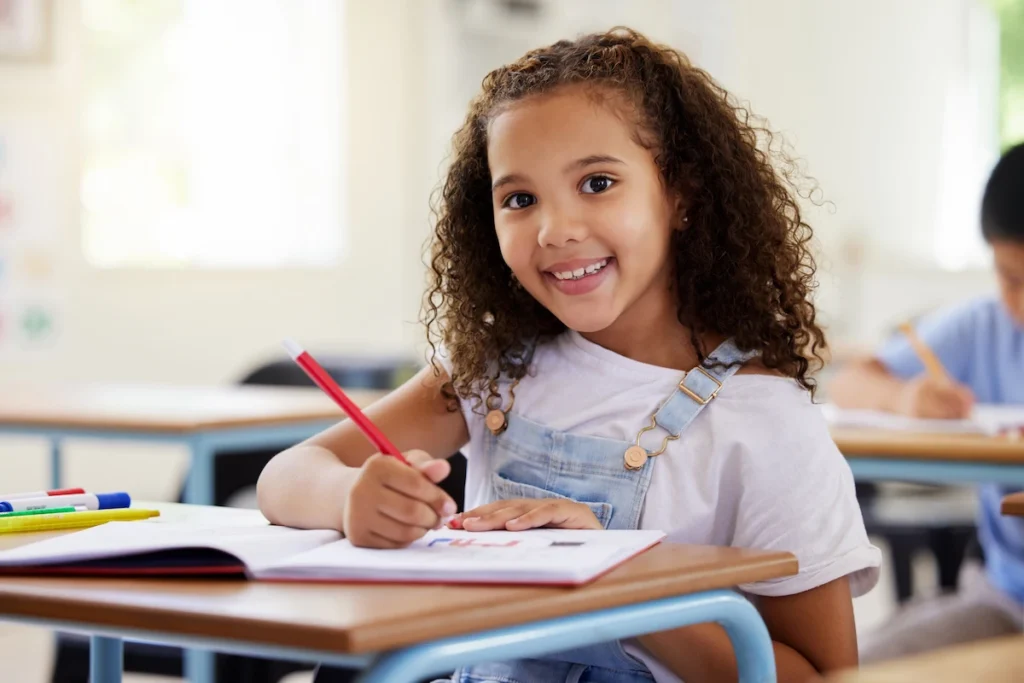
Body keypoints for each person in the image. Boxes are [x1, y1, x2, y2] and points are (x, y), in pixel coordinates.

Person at [258, 27, 880, 683]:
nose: (555, 230)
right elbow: (288, 474)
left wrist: (616, 571)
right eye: (519, 199)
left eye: (598, 182)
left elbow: (822, 673)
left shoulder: (766, 421)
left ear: (682, 195)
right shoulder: (496, 371)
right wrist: (348, 495)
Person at [830, 141, 1024, 662]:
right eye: (1011, 279)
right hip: (1006, 603)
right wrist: (904, 397)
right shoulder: (981, 326)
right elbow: (850, 384)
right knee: (861, 664)